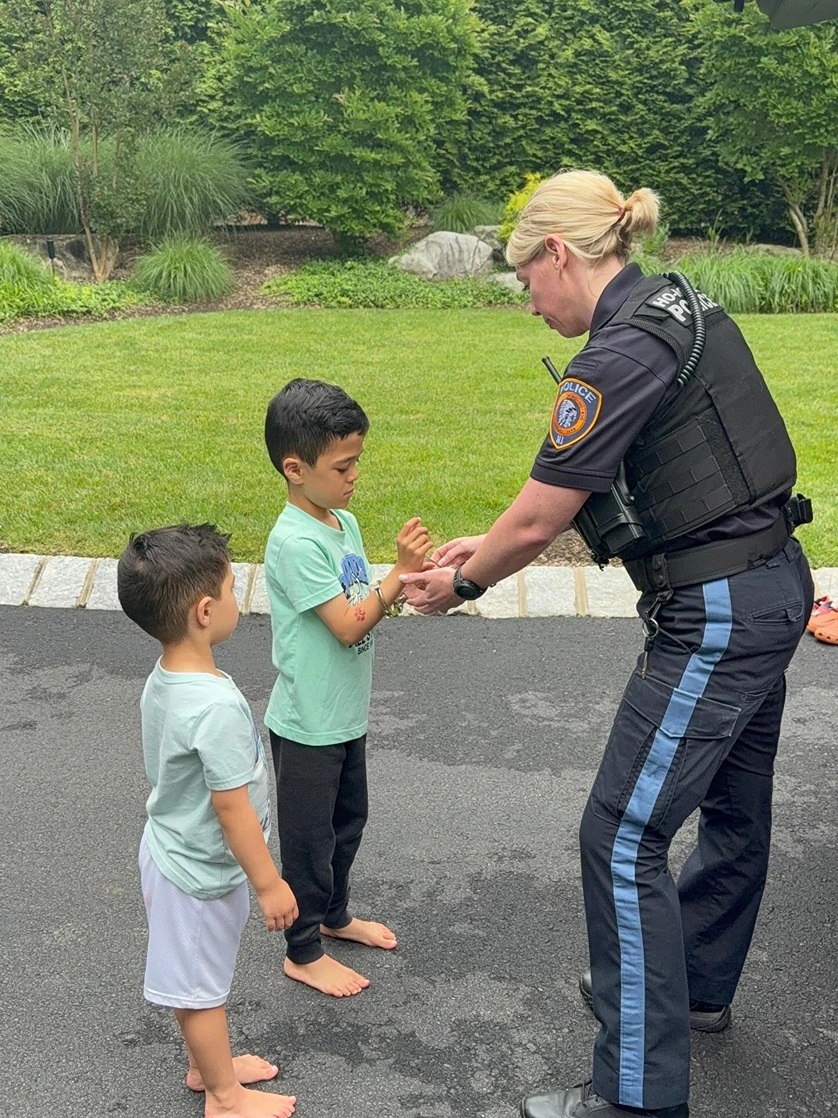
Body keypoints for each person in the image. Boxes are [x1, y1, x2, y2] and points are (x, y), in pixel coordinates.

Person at [401, 170, 814, 1118]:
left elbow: (543, 515)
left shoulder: (614, 353)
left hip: (715, 612)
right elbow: (646, 478)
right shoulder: (681, 306)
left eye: (526, 281)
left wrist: (461, 581)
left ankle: (632, 1096)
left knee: (622, 836)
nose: (530, 302)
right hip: (772, 583)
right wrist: (487, 540)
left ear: (558, 255)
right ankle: (691, 987)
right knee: (734, 807)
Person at [117, 523, 299, 1118]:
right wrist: (269, 882)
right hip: (194, 873)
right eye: (231, 588)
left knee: (198, 979)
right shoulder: (217, 706)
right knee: (199, 990)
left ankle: (207, 1064)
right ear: (204, 611)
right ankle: (223, 1096)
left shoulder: (166, 677)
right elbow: (231, 807)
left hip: (173, 849)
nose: (237, 600)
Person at [263, 378, 430, 998]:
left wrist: (407, 583)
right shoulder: (293, 542)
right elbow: (346, 623)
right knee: (308, 841)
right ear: (296, 469)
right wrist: (398, 577)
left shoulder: (342, 523)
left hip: (344, 715)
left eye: (357, 459)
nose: (355, 474)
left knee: (346, 822)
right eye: (343, 464)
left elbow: (361, 595)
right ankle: (302, 951)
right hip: (307, 722)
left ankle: (333, 917)